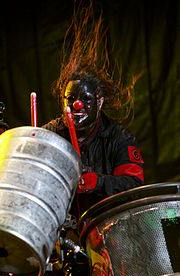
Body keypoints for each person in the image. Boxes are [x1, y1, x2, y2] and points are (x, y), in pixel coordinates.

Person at [43, 3, 144, 219]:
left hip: (108, 228)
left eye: (85, 99)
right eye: (70, 99)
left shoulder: (120, 138)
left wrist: (98, 181)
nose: (77, 105)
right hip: (62, 233)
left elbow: (134, 184)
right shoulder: (51, 133)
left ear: (99, 103)